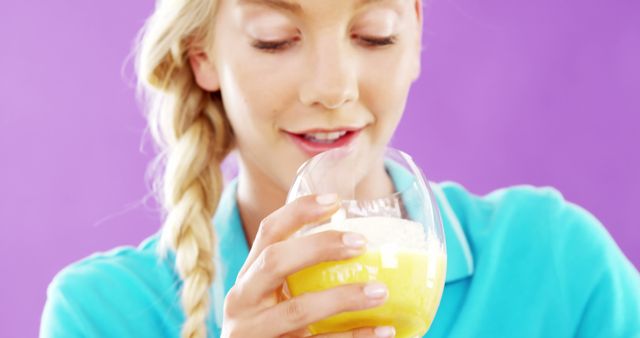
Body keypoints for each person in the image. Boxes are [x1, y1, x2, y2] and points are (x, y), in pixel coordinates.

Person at [39, 0, 640, 337]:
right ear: (204, 60)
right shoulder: (101, 315)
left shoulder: (558, 265)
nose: (332, 87)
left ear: (414, 39)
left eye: (374, 35)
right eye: (276, 39)